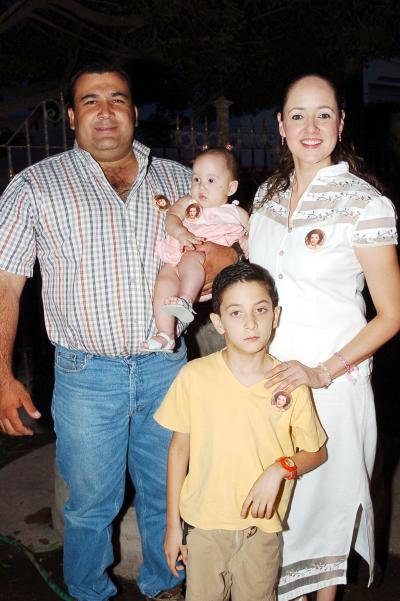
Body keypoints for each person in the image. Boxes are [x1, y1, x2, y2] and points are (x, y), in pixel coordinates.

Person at [0, 60, 239, 601]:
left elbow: (231, 258)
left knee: (168, 491)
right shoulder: (34, 186)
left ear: (133, 111)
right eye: (90, 100)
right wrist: (2, 374)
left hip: (167, 368)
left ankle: (166, 586)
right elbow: (5, 284)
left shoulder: (182, 179)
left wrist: (221, 258)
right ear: (71, 116)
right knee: (89, 503)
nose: (105, 111)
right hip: (86, 376)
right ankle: (87, 591)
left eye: (117, 99)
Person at [249, 74, 400, 601]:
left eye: (322, 114)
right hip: (267, 382)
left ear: (340, 122)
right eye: (297, 115)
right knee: (273, 513)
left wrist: (322, 371)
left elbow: (392, 314)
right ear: (280, 126)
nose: (309, 127)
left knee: (321, 514)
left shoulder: (367, 205)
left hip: (332, 385)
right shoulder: (265, 197)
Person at [154, 262, 327, 601]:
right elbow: (178, 451)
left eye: (260, 310)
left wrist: (281, 469)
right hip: (204, 528)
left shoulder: (291, 384)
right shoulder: (194, 377)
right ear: (218, 322)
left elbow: (317, 451)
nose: (250, 323)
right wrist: (173, 527)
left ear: (275, 316)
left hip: (261, 530)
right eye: (236, 313)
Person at [141, 147, 249, 352]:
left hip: (200, 256)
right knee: (163, 280)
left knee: (191, 260)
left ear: (231, 187)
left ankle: (185, 300)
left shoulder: (235, 213)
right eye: (196, 179)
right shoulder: (188, 203)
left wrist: (246, 240)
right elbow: (171, 217)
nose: (201, 187)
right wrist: (180, 232)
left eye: (211, 180)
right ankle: (166, 334)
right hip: (178, 256)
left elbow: (255, 234)